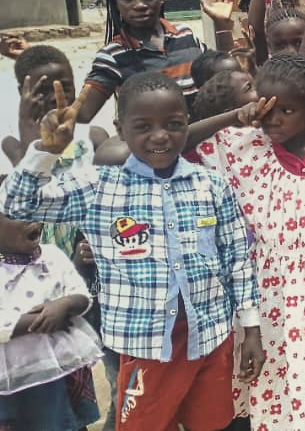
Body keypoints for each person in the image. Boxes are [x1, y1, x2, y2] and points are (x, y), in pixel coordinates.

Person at [3, 71, 264, 431]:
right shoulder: (97, 187)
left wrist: (251, 329)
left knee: (211, 425)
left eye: (173, 124)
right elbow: (16, 205)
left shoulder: (211, 184)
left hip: (211, 337)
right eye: (143, 126)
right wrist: (45, 152)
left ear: (187, 122)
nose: (160, 136)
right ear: (121, 129)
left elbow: (237, 259)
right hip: (146, 345)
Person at [193, 54, 305, 430]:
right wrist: (236, 116)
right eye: (267, 109)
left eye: (286, 111)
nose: (274, 120)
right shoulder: (247, 152)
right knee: (276, 383)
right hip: (267, 295)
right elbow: (182, 140)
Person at [0, 211, 102, 431]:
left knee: (66, 423)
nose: (32, 218)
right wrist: (39, 322)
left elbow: (82, 294)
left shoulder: (53, 256)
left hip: (60, 372)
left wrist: (64, 305)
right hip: (13, 380)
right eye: (17, 214)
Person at [78, 0, 208, 122]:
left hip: (201, 133)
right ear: (116, 3)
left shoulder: (184, 34)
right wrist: (58, 114)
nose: (140, 5)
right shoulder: (113, 55)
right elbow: (83, 112)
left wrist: (223, 26)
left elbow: (219, 76)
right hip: (155, 136)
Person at [3, 46, 109, 167]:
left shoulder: (93, 137)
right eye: (43, 90)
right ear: (23, 93)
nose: (55, 97)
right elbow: (30, 172)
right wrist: (26, 121)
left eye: (64, 87)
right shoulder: (14, 146)